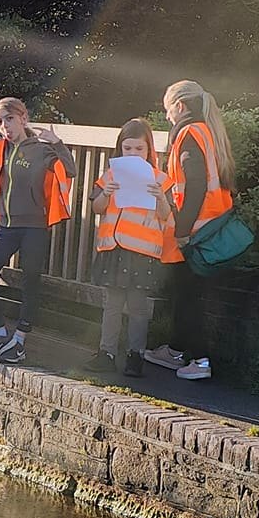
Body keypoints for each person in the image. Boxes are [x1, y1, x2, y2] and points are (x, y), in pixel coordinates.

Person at [141, 79, 238, 380]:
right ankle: (176, 351)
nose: (167, 116)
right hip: (213, 225)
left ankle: (200, 360)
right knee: (186, 293)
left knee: (188, 296)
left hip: (195, 229)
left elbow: (195, 186)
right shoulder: (208, 131)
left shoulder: (187, 134)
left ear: (180, 106)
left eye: (168, 109)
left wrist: (182, 230)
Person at [0, 97, 76, 366]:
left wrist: (57, 143)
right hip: (6, 226)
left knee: (31, 281)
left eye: (9, 119)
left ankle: (19, 340)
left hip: (34, 226)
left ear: (23, 118)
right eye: (0, 121)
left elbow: (70, 170)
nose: (5, 126)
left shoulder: (41, 150)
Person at [92, 118, 176, 378]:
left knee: (138, 307)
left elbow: (166, 216)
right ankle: (106, 353)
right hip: (114, 248)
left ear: (149, 150)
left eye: (139, 148)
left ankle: (135, 355)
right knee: (112, 304)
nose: (133, 153)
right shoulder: (110, 175)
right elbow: (97, 207)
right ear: (120, 148)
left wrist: (160, 197)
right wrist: (106, 193)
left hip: (142, 252)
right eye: (127, 148)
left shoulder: (160, 179)